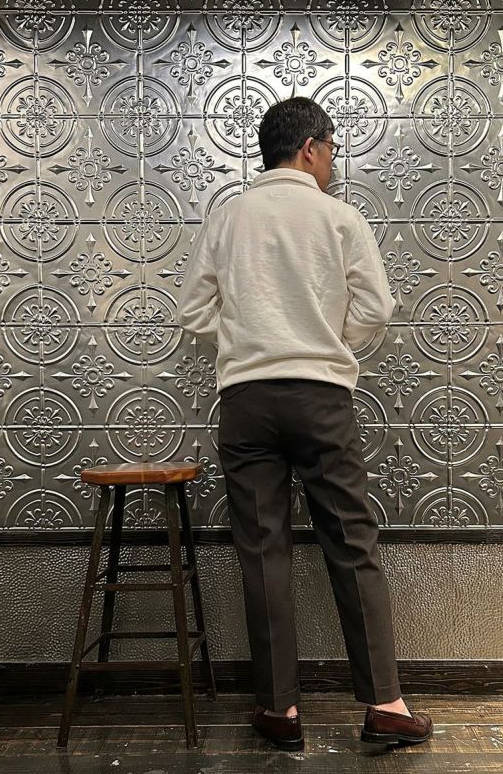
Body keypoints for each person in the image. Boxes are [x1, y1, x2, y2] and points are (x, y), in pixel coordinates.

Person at [176, 96, 433, 752]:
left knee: (264, 552)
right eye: (332, 150)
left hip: (246, 400)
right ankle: (385, 705)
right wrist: (330, 344)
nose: (334, 162)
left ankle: (279, 710)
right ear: (310, 148)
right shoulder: (338, 216)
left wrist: (242, 343)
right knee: (352, 544)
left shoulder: (228, 216)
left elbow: (193, 311)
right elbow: (377, 307)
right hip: (321, 397)